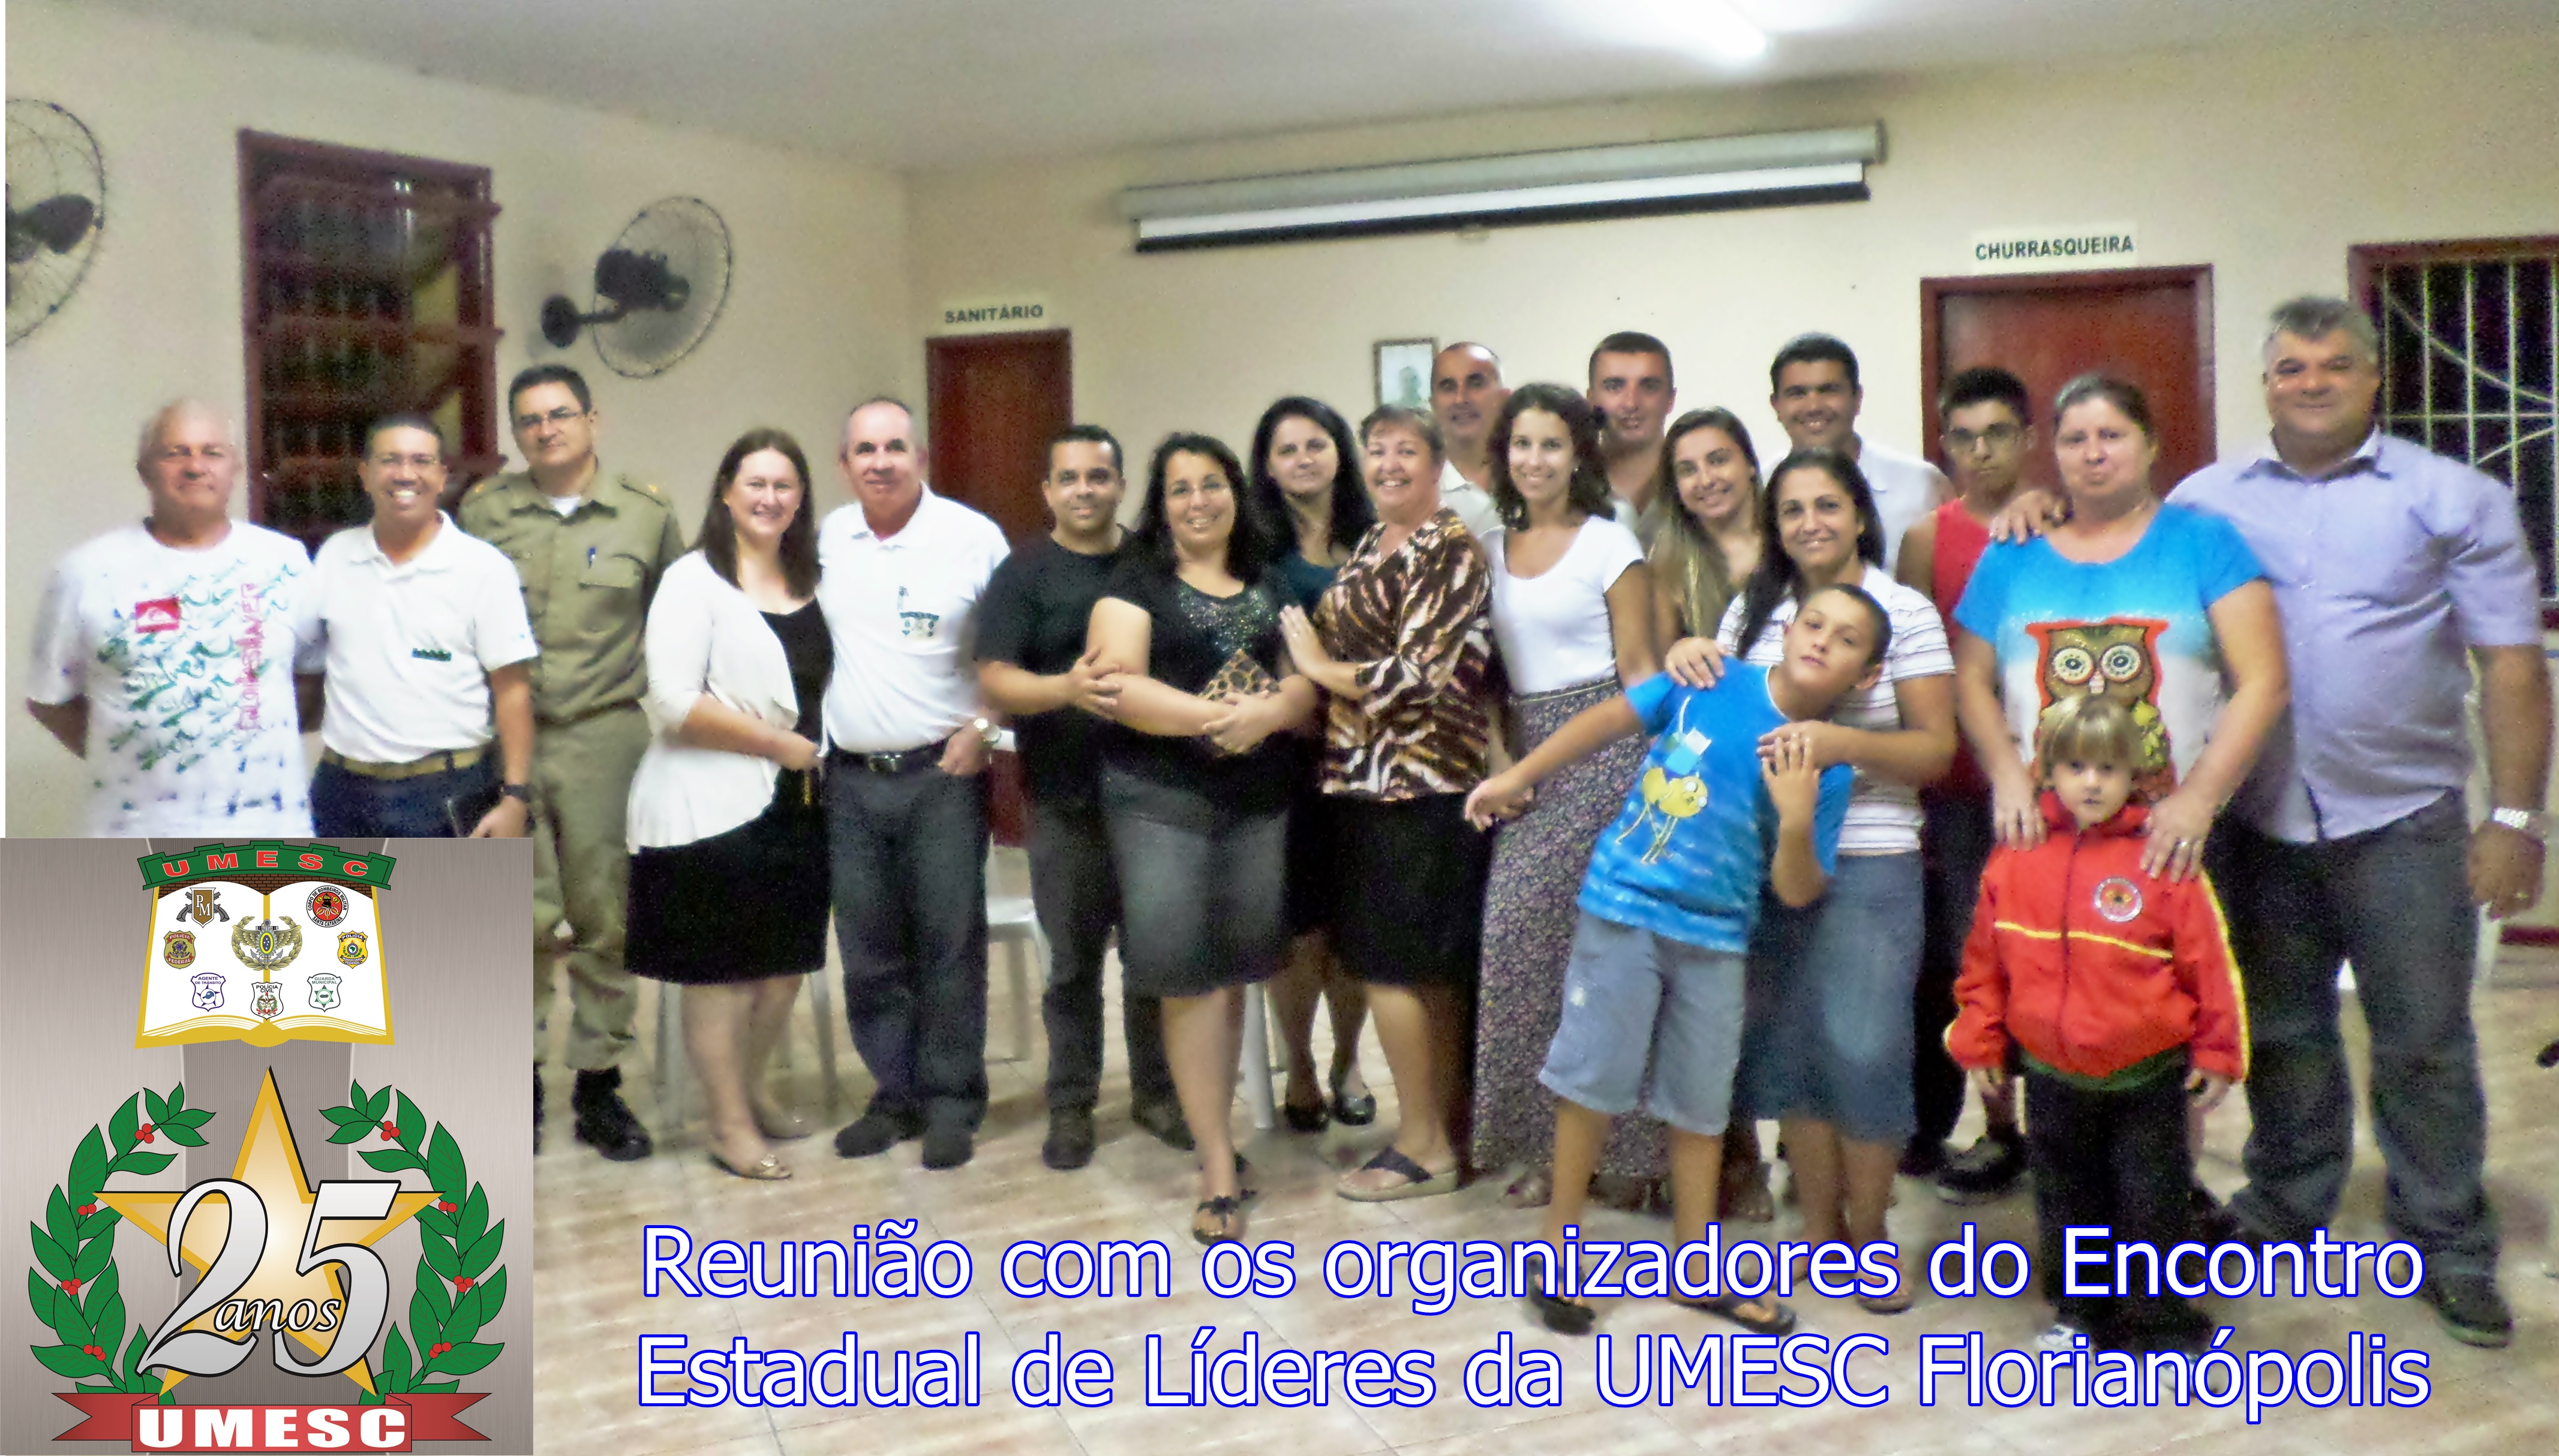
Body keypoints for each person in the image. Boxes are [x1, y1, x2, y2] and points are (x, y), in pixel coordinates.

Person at [2177, 297, 2548, 1348]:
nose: (2311, 383)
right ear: (2265, 383)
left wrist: (2514, 818)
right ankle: (2285, 1200)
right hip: (2260, 821)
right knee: (2283, 1032)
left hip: (2404, 822)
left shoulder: (2453, 496)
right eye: (2290, 367)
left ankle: (2446, 1235)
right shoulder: (2205, 503)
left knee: (2422, 1041)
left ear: (2374, 377)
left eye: (2333, 365)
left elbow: (2511, 664)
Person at [1467, 582, 1893, 1337]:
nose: (1823, 640)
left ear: (1866, 675)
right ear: (1789, 628)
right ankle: (1557, 1249)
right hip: (1624, 910)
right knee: (1591, 1079)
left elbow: (1797, 889)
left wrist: (1796, 821)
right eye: (1815, 623)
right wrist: (1518, 774)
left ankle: (1696, 1264)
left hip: (1719, 938)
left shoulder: (1824, 764)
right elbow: (1611, 718)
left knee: (1700, 1101)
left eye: (1847, 639)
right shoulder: (1712, 678)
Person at [1673, 447, 1958, 1310]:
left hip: (1871, 857)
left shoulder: (1903, 611)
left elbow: (1934, 750)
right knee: (1794, 1051)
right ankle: (1821, 1234)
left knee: (1866, 1051)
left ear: (1859, 514)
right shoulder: (1752, 610)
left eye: (1827, 505)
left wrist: (1840, 744)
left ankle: (1869, 1237)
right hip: (1764, 865)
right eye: (1792, 509)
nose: (1810, 524)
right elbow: (1718, 709)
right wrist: (1689, 652)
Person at [1949, 693, 2245, 1356]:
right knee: (2068, 1202)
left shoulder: (2163, 859)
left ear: (2133, 775)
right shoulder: (2014, 858)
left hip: (2148, 1078)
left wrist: (2219, 1052)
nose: (2091, 782)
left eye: (2108, 769)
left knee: (2152, 1205)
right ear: (2047, 771)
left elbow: (2209, 966)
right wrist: (1981, 1039)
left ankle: (2163, 1325)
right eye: (2076, 766)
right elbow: (1984, 963)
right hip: (2053, 1077)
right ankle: (2081, 1312)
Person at [1089, 432, 1319, 1244]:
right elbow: (1117, 688)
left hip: (1256, 804)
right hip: (1161, 805)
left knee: (1232, 978)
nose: (1198, 501)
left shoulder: (1268, 579)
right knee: (1188, 981)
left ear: (1235, 494)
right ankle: (1217, 1164)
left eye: (1212, 484)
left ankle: (1220, 1135)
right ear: (1161, 504)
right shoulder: (1134, 584)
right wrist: (1222, 718)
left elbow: (1306, 680)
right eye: (1181, 488)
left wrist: (1275, 709)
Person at [462, 364, 684, 1162]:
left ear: (594, 420)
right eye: (529, 420)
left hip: (605, 738)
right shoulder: (484, 515)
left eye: (560, 414)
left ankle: (599, 1086)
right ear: (516, 434)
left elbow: (678, 622)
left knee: (606, 920)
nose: (546, 429)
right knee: (510, 920)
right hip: (508, 741)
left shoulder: (646, 514)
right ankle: (514, 1084)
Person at [1277, 405, 1496, 1202]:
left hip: (1420, 785)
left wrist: (1316, 667)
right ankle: (1441, 1131)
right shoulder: (1373, 542)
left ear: (1437, 468)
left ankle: (1422, 1147)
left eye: (1407, 451)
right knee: (1414, 972)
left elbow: (1418, 677)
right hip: (1361, 783)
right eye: (1376, 451)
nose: (1389, 464)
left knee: (1398, 973)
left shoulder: (1449, 548)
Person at [1472, 383, 1663, 1208]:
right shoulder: (1488, 548)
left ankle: (1627, 1155)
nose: (1534, 459)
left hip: (1608, 758)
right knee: (1520, 952)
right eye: (1521, 444)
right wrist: (1501, 761)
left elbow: (1641, 681)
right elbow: (1482, 677)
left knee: (1609, 965)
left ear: (1578, 455)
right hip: (1523, 755)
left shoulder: (1608, 544)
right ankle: (1544, 1147)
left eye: (1551, 444)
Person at [623, 429, 831, 1182]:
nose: (770, 498)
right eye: (756, 483)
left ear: (801, 497)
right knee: (722, 975)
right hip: (707, 807)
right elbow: (673, 701)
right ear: (725, 491)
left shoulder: (812, 577)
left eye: (784, 485)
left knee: (783, 968)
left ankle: (753, 1087)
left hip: (796, 804)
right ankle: (727, 1121)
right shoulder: (693, 580)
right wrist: (777, 744)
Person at [975, 424, 1181, 1169]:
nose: (1085, 490)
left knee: (1154, 959)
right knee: (1072, 966)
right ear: (1048, 491)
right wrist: (1065, 688)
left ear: (1121, 485)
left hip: (1157, 797)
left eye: (1099, 476)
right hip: (1065, 801)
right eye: (1069, 478)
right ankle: (1071, 1104)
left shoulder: (1155, 562)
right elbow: (995, 678)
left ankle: (1158, 1094)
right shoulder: (1023, 574)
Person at [819, 397, 1011, 1172]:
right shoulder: (827, 540)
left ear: (920, 458)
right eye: (865, 450)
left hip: (942, 776)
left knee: (948, 946)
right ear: (844, 465)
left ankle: (952, 1101)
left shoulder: (971, 537)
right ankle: (894, 1096)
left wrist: (986, 727)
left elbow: (1010, 645)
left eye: (895, 446)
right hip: (850, 781)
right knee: (868, 951)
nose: (881, 462)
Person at [28, 400, 317, 837]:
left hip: (269, 830)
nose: (195, 467)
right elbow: (50, 700)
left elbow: (313, 681)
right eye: (175, 453)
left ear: (235, 468)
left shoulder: (285, 561)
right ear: (144, 470)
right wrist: (133, 753)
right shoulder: (84, 573)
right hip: (133, 832)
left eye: (212, 452)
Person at [1894, 366, 2035, 1201]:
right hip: (1955, 786)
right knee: (1970, 959)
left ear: (2027, 439)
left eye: (1998, 434)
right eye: (1964, 437)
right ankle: (1997, 1126)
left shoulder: (2058, 523)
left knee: (2051, 956)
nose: (1981, 451)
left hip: (2055, 780)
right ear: (1945, 446)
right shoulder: (1925, 538)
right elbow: (1912, 656)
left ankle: (2060, 1125)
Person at [297, 413, 535, 838]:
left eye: (421, 461)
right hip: (342, 792)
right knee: (332, 889)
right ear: (365, 475)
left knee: (450, 891)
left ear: (443, 477)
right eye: (390, 460)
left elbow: (513, 689)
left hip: (447, 790)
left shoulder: (484, 568)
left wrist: (516, 796)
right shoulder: (334, 556)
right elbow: (307, 665)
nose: (405, 474)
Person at [1247, 397, 1378, 1136]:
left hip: (1370, 758)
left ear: (1339, 453)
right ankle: (1299, 1065)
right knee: (1300, 931)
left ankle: (1348, 1062)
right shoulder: (1254, 551)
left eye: (1316, 444)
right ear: (1267, 466)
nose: (1303, 459)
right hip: (1288, 763)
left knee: (1355, 927)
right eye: (1287, 449)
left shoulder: (1376, 538)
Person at [1768, 333, 1949, 570]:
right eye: (1797, 394)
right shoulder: (1761, 487)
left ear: (1858, 399)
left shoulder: (1921, 484)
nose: (1813, 406)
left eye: (1828, 390)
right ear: (1776, 406)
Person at [1644, 407, 1764, 650]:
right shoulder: (1666, 563)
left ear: (1750, 464)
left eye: (1718, 461)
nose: (1706, 480)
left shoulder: (1791, 537)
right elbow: (1659, 664)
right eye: (1688, 470)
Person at [1587, 332, 1677, 527]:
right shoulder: (1565, 488)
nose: (1631, 403)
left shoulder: (1699, 483)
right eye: (1614, 387)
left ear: (1671, 399)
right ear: (1591, 399)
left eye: (1649, 387)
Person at [1428, 342, 1510, 540]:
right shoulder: (1421, 489)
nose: (1460, 399)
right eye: (1448, 387)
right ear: (1433, 405)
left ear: (1504, 397)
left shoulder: (1532, 474)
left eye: (1476, 384)